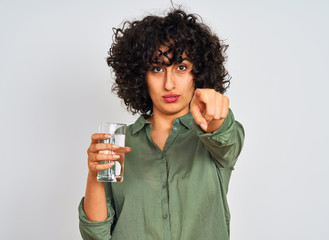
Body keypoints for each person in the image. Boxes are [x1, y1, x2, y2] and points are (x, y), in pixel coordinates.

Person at [78, 9, 245, 240]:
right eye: (157, 69)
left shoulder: (213, 139)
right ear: (140, 76)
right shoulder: (118, 142)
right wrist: (94, 173)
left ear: (198, 73)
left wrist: (217, 116)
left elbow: (227, 139)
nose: (169, 84)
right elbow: (96, 235)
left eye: (181, 68)